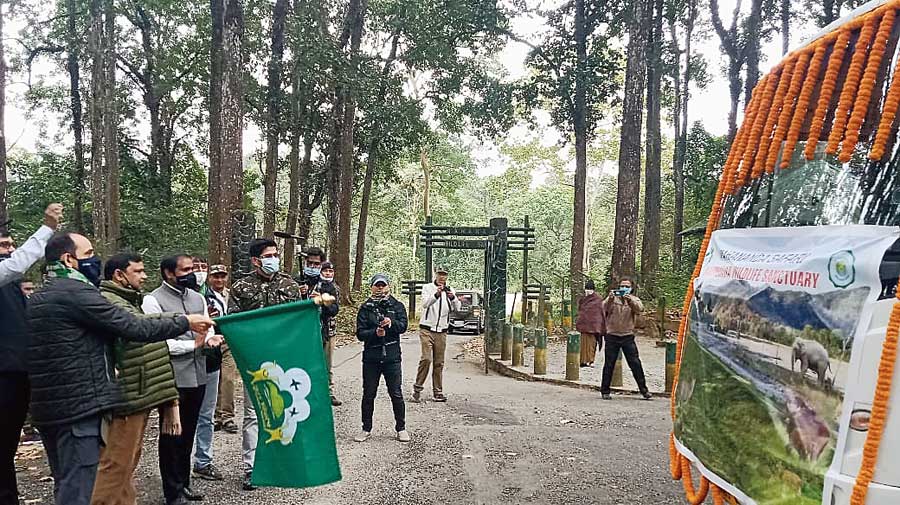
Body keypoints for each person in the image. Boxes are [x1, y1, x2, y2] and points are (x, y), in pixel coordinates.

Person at [26, 233, 214, 505]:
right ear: (69, 259)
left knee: (72, 480)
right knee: (83, 486)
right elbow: (134, 326)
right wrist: (185, 321)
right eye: (88, 253)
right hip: (79, 406)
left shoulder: (43, 294)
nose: (94, 259)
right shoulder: (76, 293)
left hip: (52, 406)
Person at [91, 253, 184, 505]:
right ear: (119, 275)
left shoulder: (130, 300)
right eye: (138, 271)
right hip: (126, 397)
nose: (144, 276)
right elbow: (140, 327)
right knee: (114, 466)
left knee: (127, 465)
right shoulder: (111, 302)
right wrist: (185, 321)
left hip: (138, 395)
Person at [143, 255, 224, 505]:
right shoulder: (153, 300)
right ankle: (172, 490)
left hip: (199, 373)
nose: (192, 273)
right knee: (171, 434)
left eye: (193, 269)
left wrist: (210, 338)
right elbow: (158, 341)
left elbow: (207, 326)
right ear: (169, 273)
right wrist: (193, 344)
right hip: (172, 377)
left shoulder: (197, 297)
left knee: (189, 431)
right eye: (185, 270)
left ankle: (183, 482)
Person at [0, 203, 61, 505]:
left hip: (18, 372)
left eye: (10, 244)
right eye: (3, 245)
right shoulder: (6, 272)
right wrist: (47, 227)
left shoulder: (11, 286)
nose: (8, 250)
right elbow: (16, 264)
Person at [229, 238, 301, 491]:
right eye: (268, 255)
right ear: (256, 260)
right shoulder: (241, 287)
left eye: (276, 254)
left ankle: (283, 464)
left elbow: (296, 322)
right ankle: (251, 468)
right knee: (253, 414)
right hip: (254, 361)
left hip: (283, 360)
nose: (274, 259)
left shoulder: (290, 285)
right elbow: (233, 324)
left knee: (284, 410)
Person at [355, 274, 409, 443]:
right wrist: (375, 333)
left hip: (392, 357)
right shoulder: (366, 308)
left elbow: (403, 326)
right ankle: (366, 428)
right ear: (372, 287)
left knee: (396, 393)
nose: (380, 288)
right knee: (369, 394)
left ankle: (401, 428)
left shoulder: (397, 305)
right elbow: (360, 333)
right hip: (371, 358)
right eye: (377, 285)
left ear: (388, 286)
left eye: (383, 285)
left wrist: (390, 324)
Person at [192, 264, 230, 482]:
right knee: (182, 418)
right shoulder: (178, 298)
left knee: (206, 415)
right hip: (184, 364)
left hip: (211, 360)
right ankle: (175, 470)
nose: (197, 272)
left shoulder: (222, 296)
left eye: (200, 268)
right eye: (192, 268)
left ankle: (203, 461)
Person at [413, 266, 460, 403]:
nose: (442, 277)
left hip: (442, 331)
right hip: (427, 329)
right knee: (427, 359)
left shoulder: (450, 290)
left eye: (444, 275)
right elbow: (425, 304)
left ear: (447, 276)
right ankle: (418, 388)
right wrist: (437, 294)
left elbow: (457, 308)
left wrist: (453, 298)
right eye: (440, 274)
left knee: (439, 363)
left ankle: (438, 392)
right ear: (435, 274)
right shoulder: (427, 287)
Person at [600, 277, 651, 401]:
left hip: (627, 335)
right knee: (609, 363)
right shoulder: (612, 299)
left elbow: (639, 309)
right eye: (622, 286)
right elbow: (602, 308)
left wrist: (630, 301)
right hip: (612, 335)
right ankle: (605, 390)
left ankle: (644, 390)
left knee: (635, 363)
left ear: (631, 288)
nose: (624, 288)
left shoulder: (634, 299)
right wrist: (610, 299)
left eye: (627, 286)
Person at [207, 265, 239, 435]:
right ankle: (215, 416)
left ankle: (227, 416)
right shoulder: (204, 296)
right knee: (213, 379)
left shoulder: (232, 295)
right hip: (210, 341)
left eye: (222, 276)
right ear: (210, 278)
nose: (219, 280)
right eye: (215, 277)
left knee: (227, 378)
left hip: (229, 340)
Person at [316, 261, 341, 406]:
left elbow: (334, 309)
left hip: (329, 330)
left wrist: (324, 304)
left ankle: (329, 392)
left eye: (330, 272)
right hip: (313, 329)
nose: (328, 274)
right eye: (325, 271)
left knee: (328, 363)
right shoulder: (314, 285)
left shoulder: (334, 288)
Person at [576, 279, 606, 367]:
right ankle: (582, 361)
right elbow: (581, 311)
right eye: (587, 289)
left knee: (591, 344)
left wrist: (599, 325)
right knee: (583, 344)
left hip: (594, 327)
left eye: (590, 289)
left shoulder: (598, 299)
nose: (588, 291)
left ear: (593, 290)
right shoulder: (583, 299)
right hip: (584, 326)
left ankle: (590, 360)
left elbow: (599, 313)